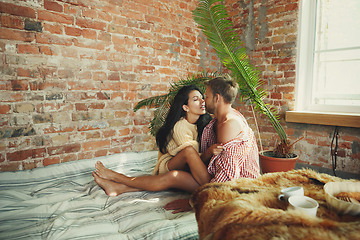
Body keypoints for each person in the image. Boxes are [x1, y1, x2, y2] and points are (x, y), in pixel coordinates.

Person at [93, 76, 260, 212]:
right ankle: (118, 186)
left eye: (206, 96)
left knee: (175, 173)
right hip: (210, 176)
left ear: (216, 98)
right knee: (173, 176)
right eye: (200, 98)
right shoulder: (218, 119)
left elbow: (228, 179)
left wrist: (193, 204)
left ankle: (118, 180)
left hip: (236, 188)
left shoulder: (229, 124)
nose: (204, 100)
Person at [92, 85, 223, 196]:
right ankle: (118, 177)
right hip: (170, 165)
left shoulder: (202, 124)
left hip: (183, 170)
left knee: (173, 178)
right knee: (189, 151)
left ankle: (119, 188)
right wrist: (209, 152)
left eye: (202, 97)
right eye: (196, 99)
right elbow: (193, 158)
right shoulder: (180, 126)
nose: (202, 101)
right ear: (185, 107)